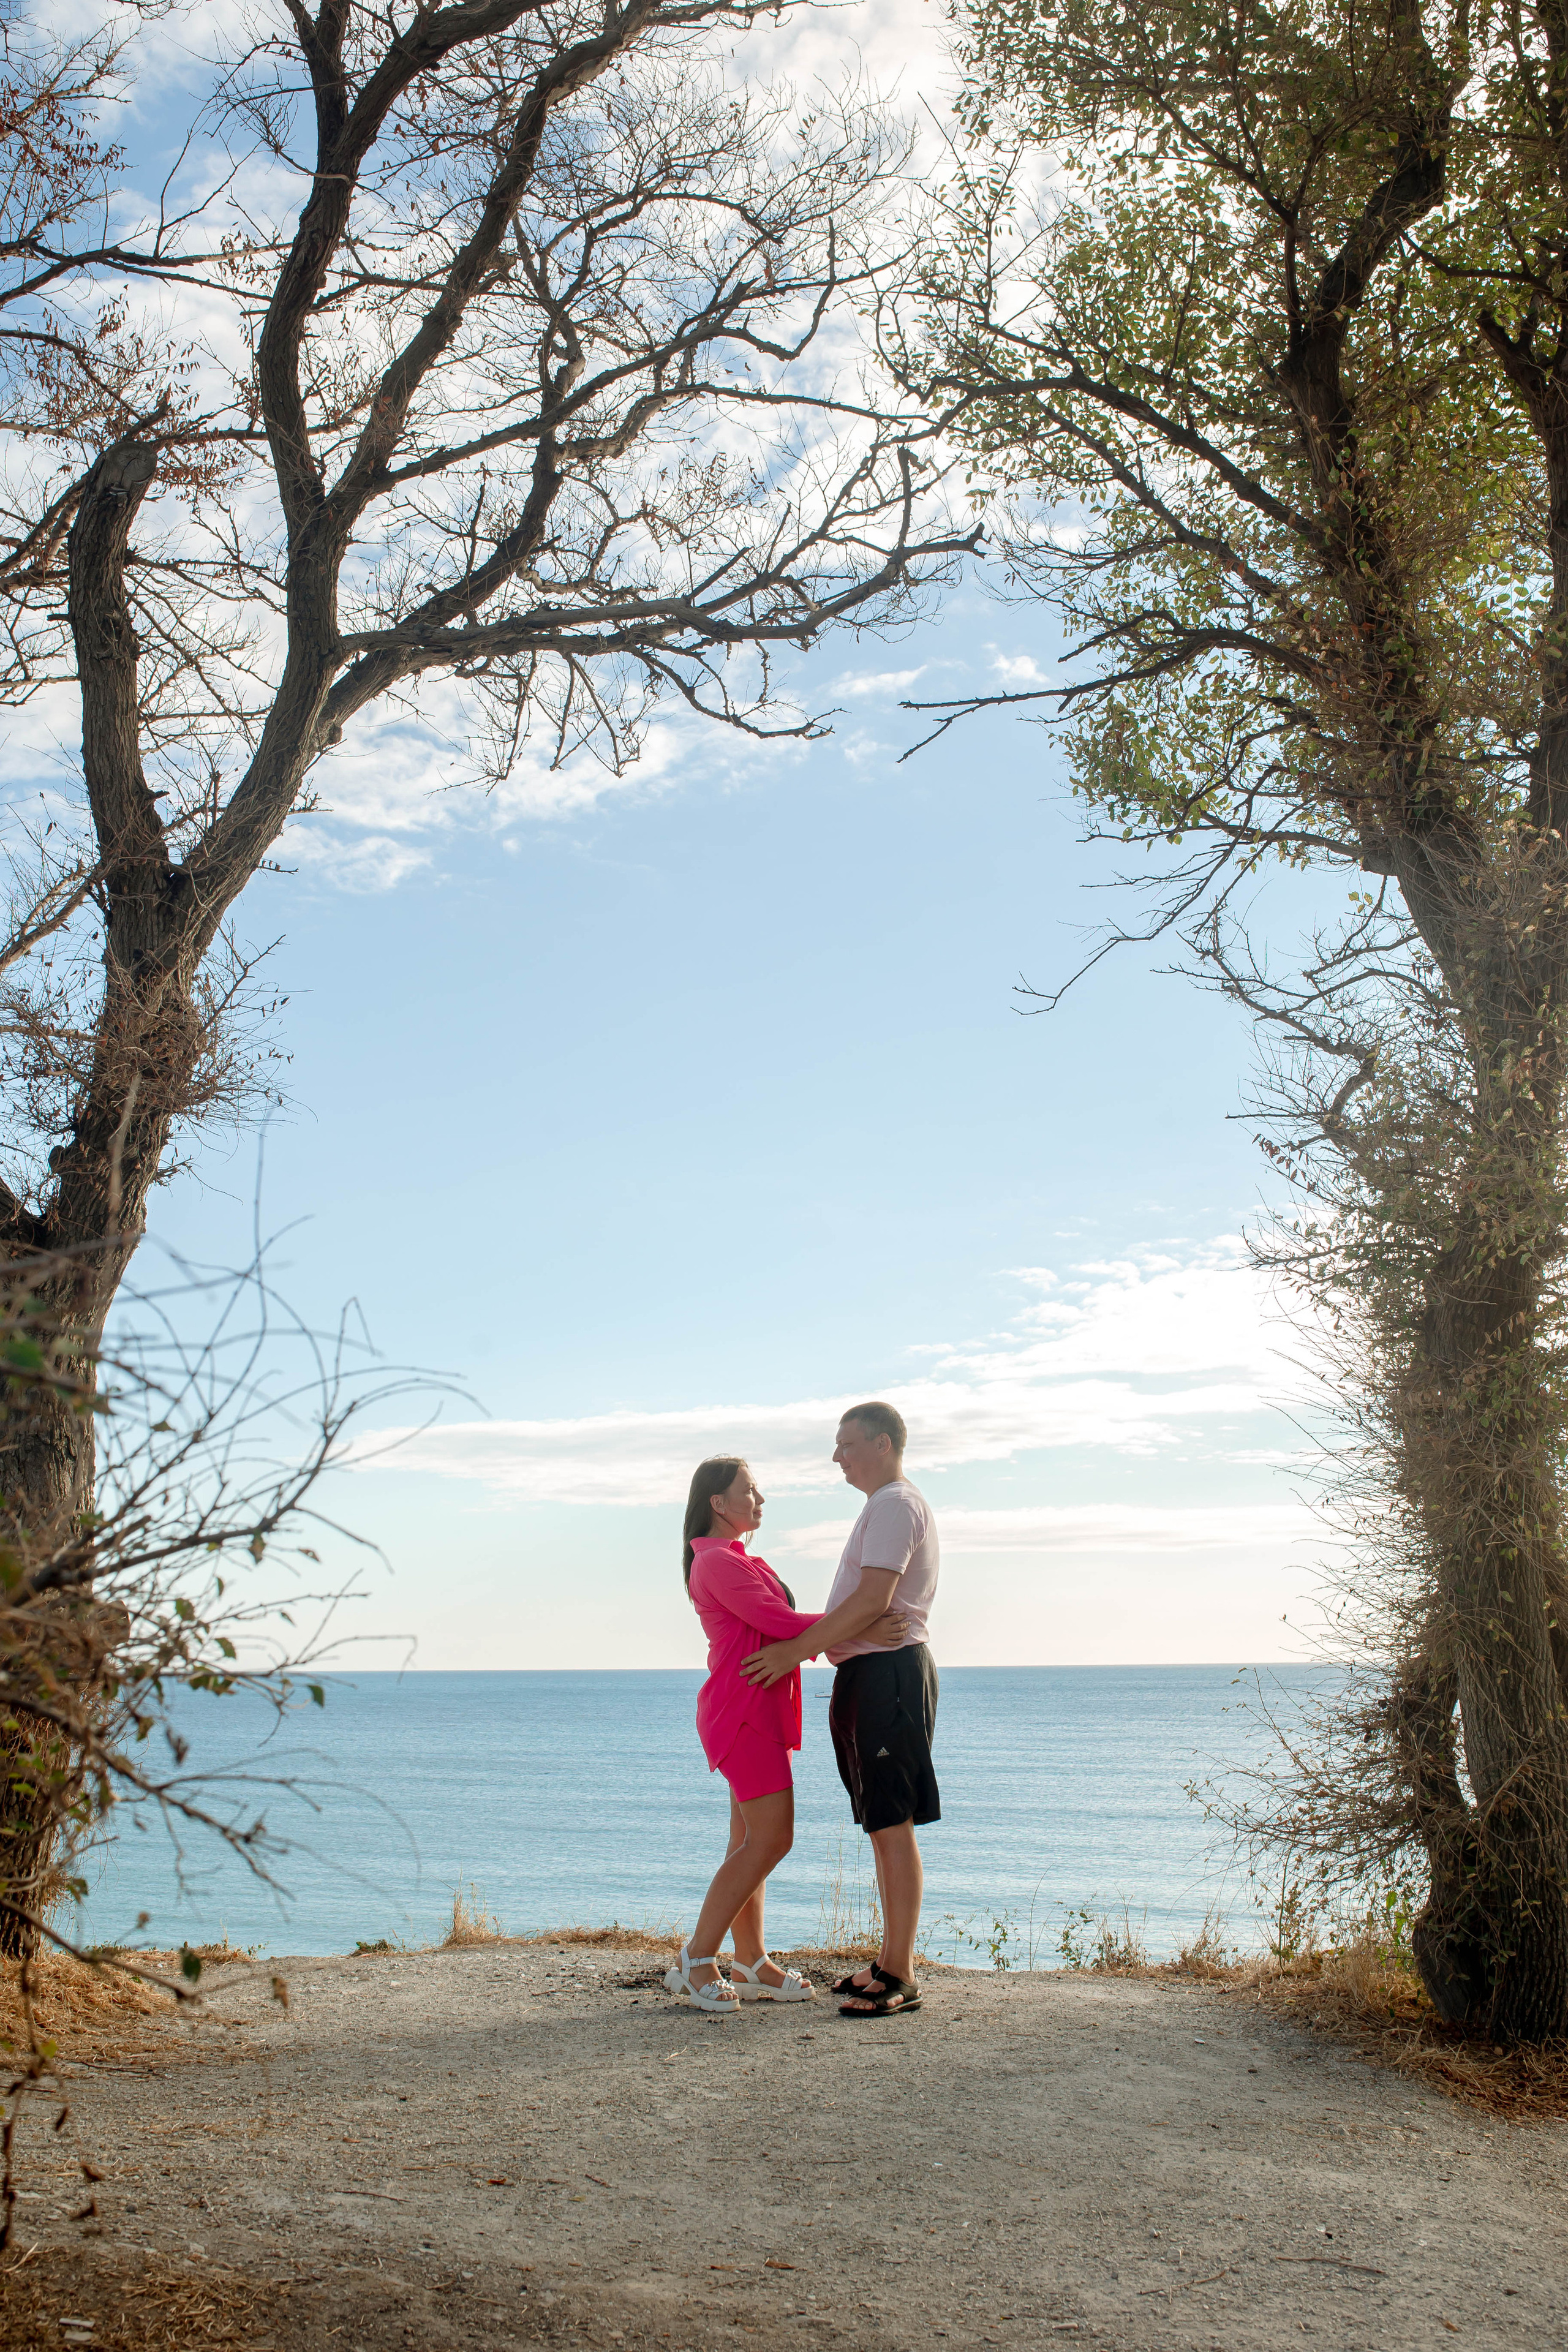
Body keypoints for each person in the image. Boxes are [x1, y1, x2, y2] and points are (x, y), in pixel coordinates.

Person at [666, 1455, 907, 2016]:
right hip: (743, 1713)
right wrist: (865, 1622)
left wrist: (837, 1629)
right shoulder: (718, 1563)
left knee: (748, 1843)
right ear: (718, 1503)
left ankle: (750, 1963)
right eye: (749, 1491)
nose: (761, 1499)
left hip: (758, 1711)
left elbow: (779, 1625)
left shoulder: (739, 1558)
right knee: (773, 1840)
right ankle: (696, 1959)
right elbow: (779, 1625)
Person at [740, 1402, 938, 2018]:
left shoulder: (894, 1505)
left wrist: (797, 1651)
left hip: (889, 1676)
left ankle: (900, 1976)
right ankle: (888, 1962)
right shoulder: (882, 1506)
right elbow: (869, 1604)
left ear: (882, 1443)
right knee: (880, 1823)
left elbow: (876, 1596)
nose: (836, 1457)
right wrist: (839, 1641)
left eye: (844, 1444)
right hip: (869, 1674)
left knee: (892, 1824)